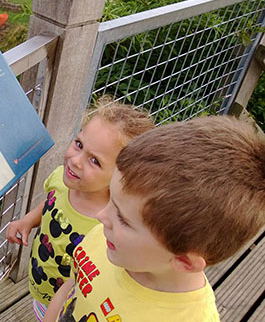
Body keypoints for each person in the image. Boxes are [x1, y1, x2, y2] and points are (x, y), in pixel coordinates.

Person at [43, 115, 265, 322]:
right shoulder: (106, 239)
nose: (102, 216)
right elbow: (72, 286)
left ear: (185, 261)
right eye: (112, 200)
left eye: (123, 218)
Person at [6, 102, 154, 321]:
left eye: (94, 161)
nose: (75, 161)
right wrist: (27, 221)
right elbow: (50, 203)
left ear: (123, 176)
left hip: (73, 308)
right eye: (78, 144)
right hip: (39, 287)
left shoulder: (109, 221)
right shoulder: (60, 179)